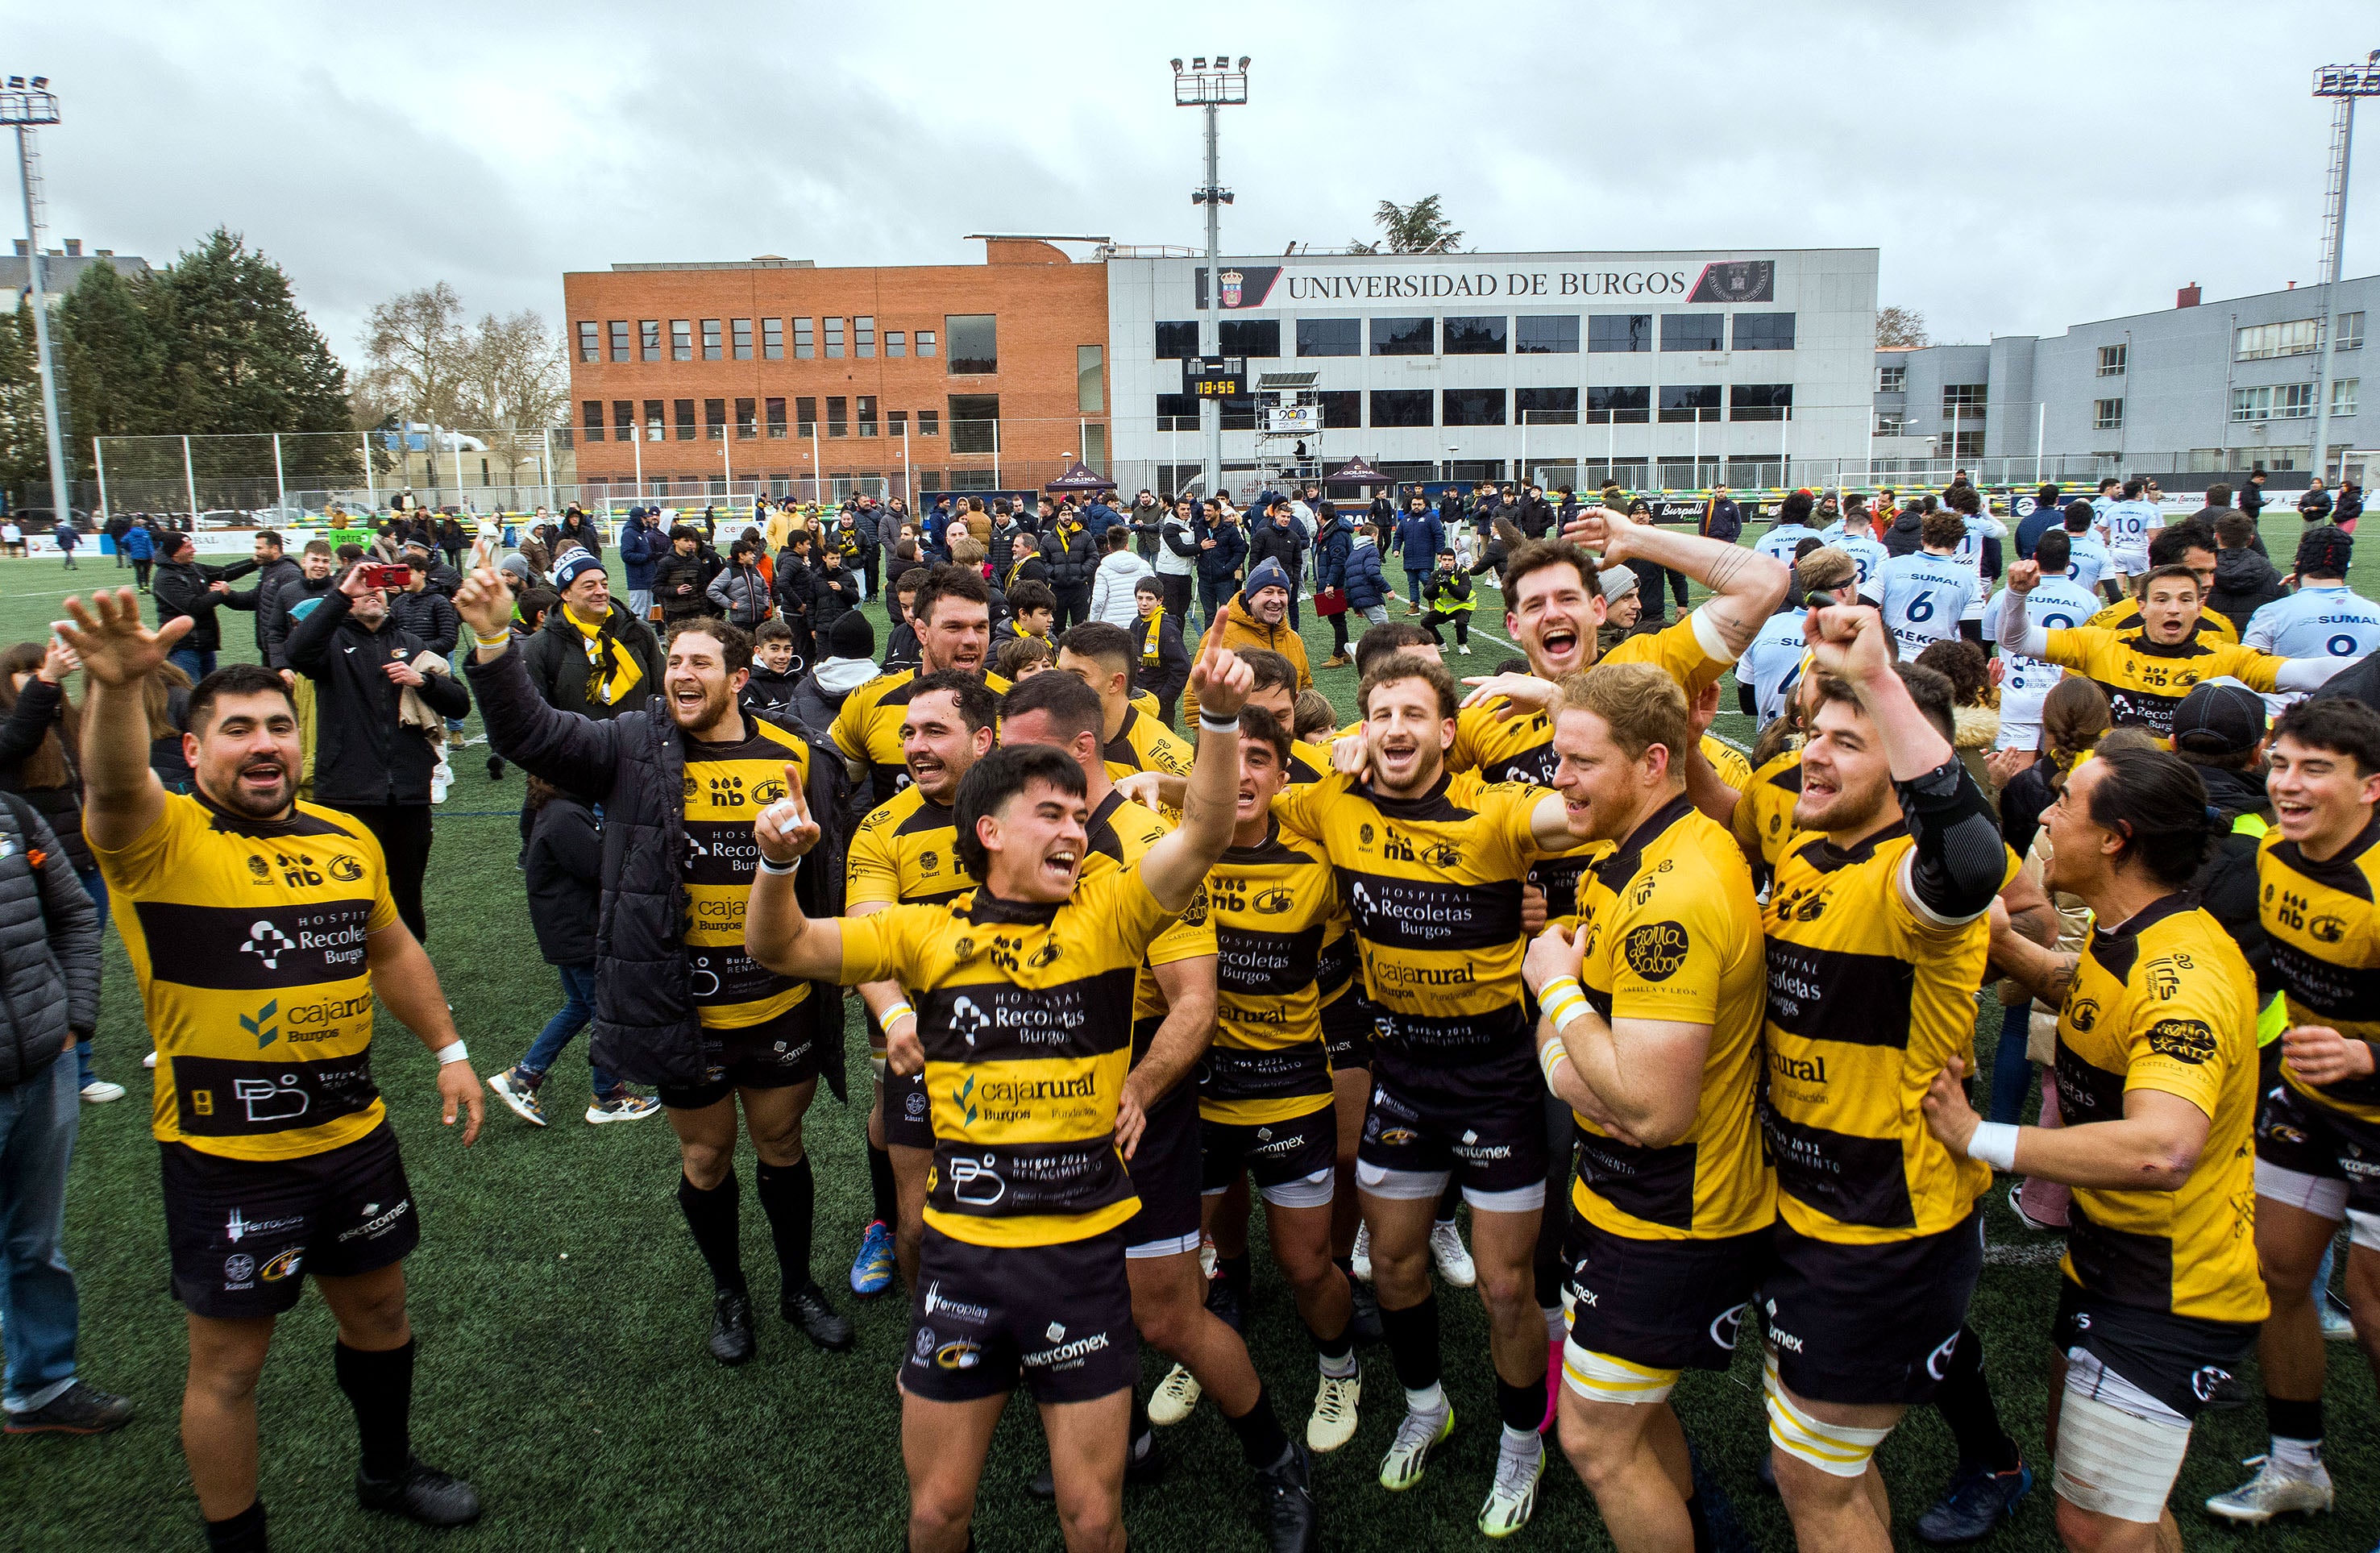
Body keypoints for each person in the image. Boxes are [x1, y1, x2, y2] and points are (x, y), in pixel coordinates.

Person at [746, 650, 1323, 1553]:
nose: (1073, 829)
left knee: (1096, 1506)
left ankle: (1269, 1456)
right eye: (1047, 813)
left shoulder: (1110, 909)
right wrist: (777, 864)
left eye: (1073, 808)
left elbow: (1205, 834)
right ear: (987, 831)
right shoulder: (927, 932)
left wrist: (1214, 723)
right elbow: (783, 948)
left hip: (1095, 1217)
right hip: (968, 1257)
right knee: (936, 1511)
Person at [62, 592, 487, 1548]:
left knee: (380, 1309)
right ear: (194, 752)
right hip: (228, 1152)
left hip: (353, 1131)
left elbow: (389, 951)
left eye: (279, 727)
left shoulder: (345, 838)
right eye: (238, 729)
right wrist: (117, 688)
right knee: (230, 1366)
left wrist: (451, 1052)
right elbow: (113, 786)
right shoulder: (156, 839)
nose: (265, 744)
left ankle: (386, 1469)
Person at [458, 571, 858, 1367]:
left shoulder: (794, 753)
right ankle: (729, 1291)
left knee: (781, 1143)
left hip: (776, 1003)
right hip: (681, 1008)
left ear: (739, 679)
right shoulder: (631, 745)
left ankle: (795, 1286)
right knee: (705, 1156)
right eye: (675, 659)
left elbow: (833, 867)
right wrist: (495, 644)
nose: (681, 672)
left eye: (701, 663)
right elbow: (528, 736)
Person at [1268, 653, 1598, 1534]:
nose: (1397, 729)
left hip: (1495, 1078)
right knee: (1400, 1263)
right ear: (1361, 728)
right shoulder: (1334, 804)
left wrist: (1554, 698)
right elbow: (1236, 799)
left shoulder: (1495, 814)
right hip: (1402, 1075)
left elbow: (1602, 798)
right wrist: (1151, 782)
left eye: (1415, 714)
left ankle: (1520, 1444)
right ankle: (1425, 1405)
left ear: (1449, 733)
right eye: (1379, 714)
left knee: (1502, 1288)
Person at [1930, 745, 2266, 1551]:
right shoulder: (2131, 937)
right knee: (2115, 1507)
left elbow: (2161, 1148)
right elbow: (2084, 995)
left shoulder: (2180, 974)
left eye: (2064, 803)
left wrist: (1978, 1135)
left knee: (2097, 1525)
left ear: (2115, 837)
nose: (2044, 816)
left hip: (2168, 1289)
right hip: (2116, 1267)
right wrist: (2004, 945)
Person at [1752, 608, 2011, 1553]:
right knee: (1827, 1472)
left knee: (1812, 1484)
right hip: (1812, 1208)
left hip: (1884, 1229)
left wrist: (1883, 683)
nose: (1812, 755)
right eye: (1812, 732)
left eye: (1845, 743)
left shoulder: (1910, 882)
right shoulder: (1809, 851)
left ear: (1902, 773)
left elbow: (1973, 863)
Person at [1520, 662, 1766, 1553]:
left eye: (1580, 761)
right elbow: (1599, 1077)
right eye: (1559, 757)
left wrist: (1554, 998)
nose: (1559, 778)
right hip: (1622, 1191)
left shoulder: (1676, 893)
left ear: (1653, 761)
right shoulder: (1633, 852)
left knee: (1594, 1437)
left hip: (1672, 1208)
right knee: (1633, 1412)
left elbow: (1652, 1108)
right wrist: (1577, 1057)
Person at [2203, 698, 2380, 1528]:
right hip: (2308, 1102)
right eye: (2279, 764)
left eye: (2315, 768)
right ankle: (2295, 1466)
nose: (2286, 782)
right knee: (2274, 1273)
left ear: (2371, 785)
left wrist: (2367, 1056)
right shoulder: (2274, 850)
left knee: (2371, 1298)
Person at [1190, 704, 1362, 1457]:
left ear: (1282, 775)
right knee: (1191, 1251)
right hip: (1195, 1095)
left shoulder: (1315, 862)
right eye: (1232, 757)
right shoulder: (1172, 855)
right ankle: (1201, 1342)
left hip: (1291, 1086)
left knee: (1305, 1262)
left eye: (1260, 758)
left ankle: (1339, 1363)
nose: (1245, 772)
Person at [841, 671, 1001, 1300]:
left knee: (1017, 1213)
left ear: (983, 739)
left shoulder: (1033, 805)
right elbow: (867, 939)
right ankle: (932, 1333)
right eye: (908, 732)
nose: (915, 746)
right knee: (918, 1220)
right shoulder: (882, 828)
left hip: (1028, 1044)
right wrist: (896, 1017)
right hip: (926, 1049)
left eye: (935, 730)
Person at [0, 752, 119, 1437]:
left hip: (43, 1064)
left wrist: (74, 1020)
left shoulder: (14, 817)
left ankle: (42, 1387)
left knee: (35, 1242)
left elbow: (75, 915)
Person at [282, 564, 471, 946]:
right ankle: (348, 976)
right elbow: (297, 652)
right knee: (346, 896)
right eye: (362, 588)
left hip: (408, 794)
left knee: (406, 896)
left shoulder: (411, 644)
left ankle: (412, 981)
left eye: (380, 588)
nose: (373, 593)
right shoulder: (330, 644)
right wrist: (341, 595)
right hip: (347, 793)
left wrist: (424, 681)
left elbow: (461, 704)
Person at [1999, 559, 2345, 739]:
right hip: (2113, 781)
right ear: (2142, 606)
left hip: (2180, 787)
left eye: (2185, 600)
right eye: (2162, 600)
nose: (2174, 610)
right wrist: (2016, 595)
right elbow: (2016, 640)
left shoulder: (2225, 657)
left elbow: (2308, 673)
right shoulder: (2101, 642)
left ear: (2199, 608)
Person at [485, 777, 662, 1127]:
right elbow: (601, 867)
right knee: (604, 1011)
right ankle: (608, 1096)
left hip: (565, 932)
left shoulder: (556, 810)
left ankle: (524, 1076)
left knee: (579, 1006)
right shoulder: (566, 815)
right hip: (579, 933)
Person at [831, 565, 1007, 807]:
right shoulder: (871, 700)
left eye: (980, 627)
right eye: (954, 627)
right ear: (922, 632)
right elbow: (831, 794)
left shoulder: (1015, 704)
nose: (971, 640)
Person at [1981, 529, 2102, 754]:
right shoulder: (2089, 601)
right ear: (2068, 561)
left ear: (2035, 557)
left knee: (2014, 776)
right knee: (2055, 774)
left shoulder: (2002, 596)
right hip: (2063, 700)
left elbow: (1986, 644)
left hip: (2016, 696)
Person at [2243, 525, 2380, 715]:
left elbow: (2245, 675)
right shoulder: (2376, 613)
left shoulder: (2272, 613)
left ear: (2298, 564)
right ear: (2345, 566)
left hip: (2291, 732)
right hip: (2359, 731)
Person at [518, 550, 665, 721]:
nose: (600, 591)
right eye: (589, 586)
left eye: (604, 584)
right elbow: (536, 715)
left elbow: (661, 693)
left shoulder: (639, 632)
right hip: (578, 746)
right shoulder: (541, 646)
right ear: (566, 594)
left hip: (638, 744)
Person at [1738, 547, 1859, 728]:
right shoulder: (1858, 637)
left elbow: (1747, 704)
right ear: (1845, 589)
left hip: (1771, 743)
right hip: (1828, 745)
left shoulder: (1766, 626)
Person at [1056, 623, 1193, 779]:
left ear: (1115, 683)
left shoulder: (1165, 761)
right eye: (1060, 673)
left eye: (1078, 676)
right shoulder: (1055, 733)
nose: (1061, 685)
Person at [1185, 559, 1311, 726]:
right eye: (1268, 592)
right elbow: (1194, 699)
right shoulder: (1224, 637)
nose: (1276, 599)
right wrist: (1216, 742)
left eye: (1282, 592)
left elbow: (1305, 691)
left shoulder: (1294, 640)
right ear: (1250, 597)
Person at [1871, 510, 1982, 661]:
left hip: (1889, 658)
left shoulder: (1892, 565)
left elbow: (1864, 606)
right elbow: (1972, 638)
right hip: (1934, 666)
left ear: (1922, 539)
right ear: (1956, 544)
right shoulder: (1969, 579)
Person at [151, 533, 259, 685]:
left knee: (208, 693)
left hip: (205, 645)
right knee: (188, 694)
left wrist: (254, 563)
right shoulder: (166, 578)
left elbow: (224, 572)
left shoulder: (193, 568)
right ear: (175, 552)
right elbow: (194, 607)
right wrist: (220, 593)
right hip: (184, 648)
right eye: (188, 547)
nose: (194, 550)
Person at [788, 612, 878, 743]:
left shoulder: (805, 686)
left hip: (817, 759)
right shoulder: (885, 686)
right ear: (869, 647)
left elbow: (789, 731)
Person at [2205, 511, 2288, 633]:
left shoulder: (2203, 574)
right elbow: (2284, 616)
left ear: (2217, 537)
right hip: (2256, 646)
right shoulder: (2273, 576)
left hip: (2212, 645)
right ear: (2251, 540)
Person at [1130, 576, 1191, 725]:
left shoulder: (1167, 629)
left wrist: (1164, 698)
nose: (1144, 603)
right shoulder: (1136, 623)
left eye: (1149, 599)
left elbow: (1182, 667)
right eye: (1140, 598)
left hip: (1159, 699)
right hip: (1138, 696)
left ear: (1160, 600)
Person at [1250, 499, 1310, 629]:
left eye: (1288, 517)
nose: (1286, 519)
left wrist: (1294, 579)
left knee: (1292, 607)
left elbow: (1297, 562)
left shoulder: (1294, 537)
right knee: (1265, 607)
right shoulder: (1263, 534)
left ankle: (1294, 632)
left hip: (1288, 581)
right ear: (1276, 515)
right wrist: (1253, 578)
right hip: (1266, 581)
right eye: (1283, 516)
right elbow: (1254, 558)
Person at [2100, 478, 2165, 592]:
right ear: (2139, 493)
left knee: (2117, 589)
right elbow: (2152, 536)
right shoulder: (2147, 511)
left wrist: (2109, 541)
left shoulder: (2113, 508)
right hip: (2137, 552)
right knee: (2137, 590)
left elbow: (2099, 529)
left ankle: (2117, 608)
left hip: (2117, 551)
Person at [1045, 504, 1099, 633]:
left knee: (1080, 628)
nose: (1067, 517)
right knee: (1057, 627)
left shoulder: (1085, 536)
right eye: (1063, 515)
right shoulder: (1048, 539)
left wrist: (1082, 571)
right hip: (1057, 589)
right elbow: (1042, 560)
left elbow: (1093, 556)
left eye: (1069, 514)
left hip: (1079, 587)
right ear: (1058, 517)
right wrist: (1053, 572)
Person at [1199, 500, 1250, 637]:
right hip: (1205, 579)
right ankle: (1208, 645)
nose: (1206, 513)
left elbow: (1241, 550)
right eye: (1204, 510)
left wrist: (1227, 569)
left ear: (1217, 511)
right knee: (1209, 615)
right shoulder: (1200, 527)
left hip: (1224, 581)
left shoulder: (1230, 530)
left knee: (1226, 614)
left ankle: (1228, 642)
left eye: (1209, 510)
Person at [1088, 527, 1154, 629]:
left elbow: (1098, 601)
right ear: (1127, 546)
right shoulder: (1144, 566)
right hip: (1139, 622)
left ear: (1109, 547)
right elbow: (1155, 592)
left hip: (1111, 625)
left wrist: (1093, 623)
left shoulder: (1103, 570)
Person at [706, 538, 773, 629]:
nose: (754, 556)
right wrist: (730, 604)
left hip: (760, 620)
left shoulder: (755, 570)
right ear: (741, 555)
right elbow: (712, 590)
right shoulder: (729, 571)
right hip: (740, 623)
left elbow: (765, 589)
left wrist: (765, 604)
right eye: (750, 553)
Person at [1157, 496, 1202, 627]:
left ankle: (1178, 644)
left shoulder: (1189, 525)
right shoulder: (1169, 527)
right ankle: (1168, 644)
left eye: (1188, 509)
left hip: (1184, 576)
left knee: (1181, 614)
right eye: (1183, 509)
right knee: (1170, 614)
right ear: (1176, 509)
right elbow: (1180, 550)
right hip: (1168, 576)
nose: (1187, 512)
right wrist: (1200, 547)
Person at [1418, 550, 1475, 654]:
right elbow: (1427, 594)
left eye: (1450, 560)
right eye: (1444, 559)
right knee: (1426, 623)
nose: (1447, 563)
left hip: (1463, 605)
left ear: (1454, 561)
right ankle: (1441, 644)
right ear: (1440, 560)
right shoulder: (1436, 573)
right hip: (1445, 606)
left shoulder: (1463, 573)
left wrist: (1450, 586)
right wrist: (1436, 585)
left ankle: (1462, 645)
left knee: (1461, 622)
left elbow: (1464, 595)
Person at [741, 619, 803, 716]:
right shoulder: (748, 686)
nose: (782, 656)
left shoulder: (799, 679)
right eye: (775, 649)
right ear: (759, 651)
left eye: (786, 649)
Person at [1394, 494, 1443, 613]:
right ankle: (1414, 606)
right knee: (1412, 583)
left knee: (1426, 580)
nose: (1416, 507)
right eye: (1414, 504)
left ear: (1424, 505)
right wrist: (1396, 549)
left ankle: (1433, 603)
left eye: (1419, 504)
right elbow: (1398, 536)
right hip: (1409, 557)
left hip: (1425, 556)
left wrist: (1440, 552)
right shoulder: (1406, 519)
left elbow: (1439, 535)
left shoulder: (1431, 518)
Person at [617, 505, 662, 620]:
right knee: (638, 613)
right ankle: (634, 637)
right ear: (638, 518)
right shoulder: (629, 533)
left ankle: (643, 637)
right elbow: (626, 555)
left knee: (646, 612)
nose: (647, 520)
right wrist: (647, 557)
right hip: (638, 579)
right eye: (644, 517)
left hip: (647, 579)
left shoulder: (641, 533)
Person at [123, 518, 155, 591]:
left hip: (135, 556)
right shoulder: (145, 533)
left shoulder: (130, 534)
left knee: (138, 572)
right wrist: (152, 556)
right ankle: (146, 587)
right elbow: (149, 546)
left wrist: (129, 549)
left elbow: (123, 541)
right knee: (146, 573)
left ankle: (141, 589)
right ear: (140, 526)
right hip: (147, 556)